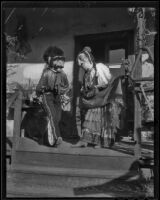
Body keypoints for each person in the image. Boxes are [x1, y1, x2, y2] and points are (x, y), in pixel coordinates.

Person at [72, 46, 114, 148]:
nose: (81, 66)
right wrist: (85, 89)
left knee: (100, 120)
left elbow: (107, 82)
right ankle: (85, 141)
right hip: (92, 100)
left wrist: (96, 87)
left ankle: (99, 142)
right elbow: (87, 86)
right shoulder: (87, 73)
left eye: (82, 64)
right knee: (88, 120)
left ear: (87, 60)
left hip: (101, 99)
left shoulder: (99, 67)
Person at [36, 46, 69, 147]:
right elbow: (38, 88)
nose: (59, 68)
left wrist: (62, 91)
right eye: (57, 65)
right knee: (53, 116)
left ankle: (47, 139)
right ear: (51, 61)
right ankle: (57, 137)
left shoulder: (62, 74)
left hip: (57, 98)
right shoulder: (46, 73)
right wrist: (44, 89)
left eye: (61, 66)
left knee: (57, 119)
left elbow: (67, 86)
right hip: (47, 97)